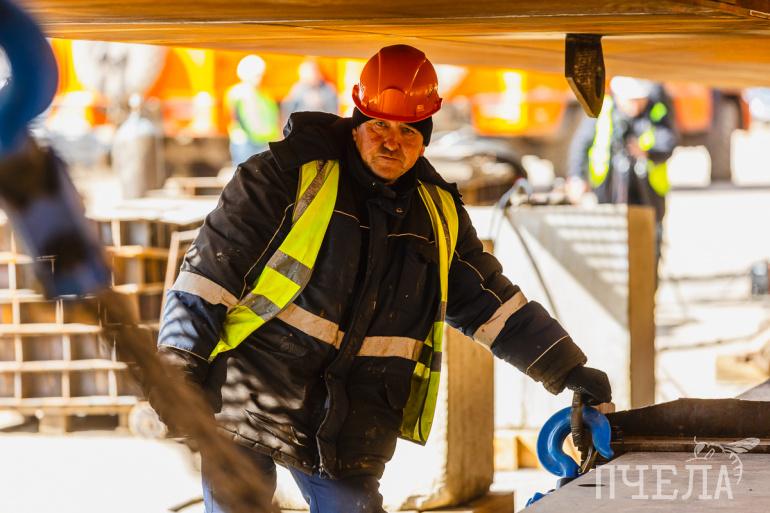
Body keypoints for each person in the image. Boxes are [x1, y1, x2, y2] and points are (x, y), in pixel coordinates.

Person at [155, 44, 612, 513]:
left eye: (407, 130)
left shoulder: (437, 214)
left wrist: (568, 370)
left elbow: (491, 305)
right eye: (379, 126)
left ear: (425, 137)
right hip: (252, 395)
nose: (391, 142)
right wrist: (177, 370)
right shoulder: (283, 179)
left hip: (350, 421)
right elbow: (207, 278)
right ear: (356, 123)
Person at [567, 76, 678, 266]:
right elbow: (580, 144)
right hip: (609, 191)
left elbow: (669, 140)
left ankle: (648, 280)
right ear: (618, 96)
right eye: (630, 101)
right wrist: (577, 177)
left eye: (638, 100)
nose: (635, 106)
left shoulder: (656, 109)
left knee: (649, 247)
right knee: (611, 246)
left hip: (648, 194)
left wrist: (648, 152)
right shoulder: (603, 109)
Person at [225, 54, 281, 165]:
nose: (259, 78)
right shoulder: (237, 93)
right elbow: (236, 117)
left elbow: (273, 117)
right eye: (257, 75)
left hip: (264, 142)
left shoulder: (264, 94)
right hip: (246, 142)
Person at [281, 58, 338, 123]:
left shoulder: (328, 89)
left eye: (314, 72)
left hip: (322, 124)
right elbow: (288, 112)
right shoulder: (298, 88)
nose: (312, 77)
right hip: (301, 124)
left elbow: (334, 113)